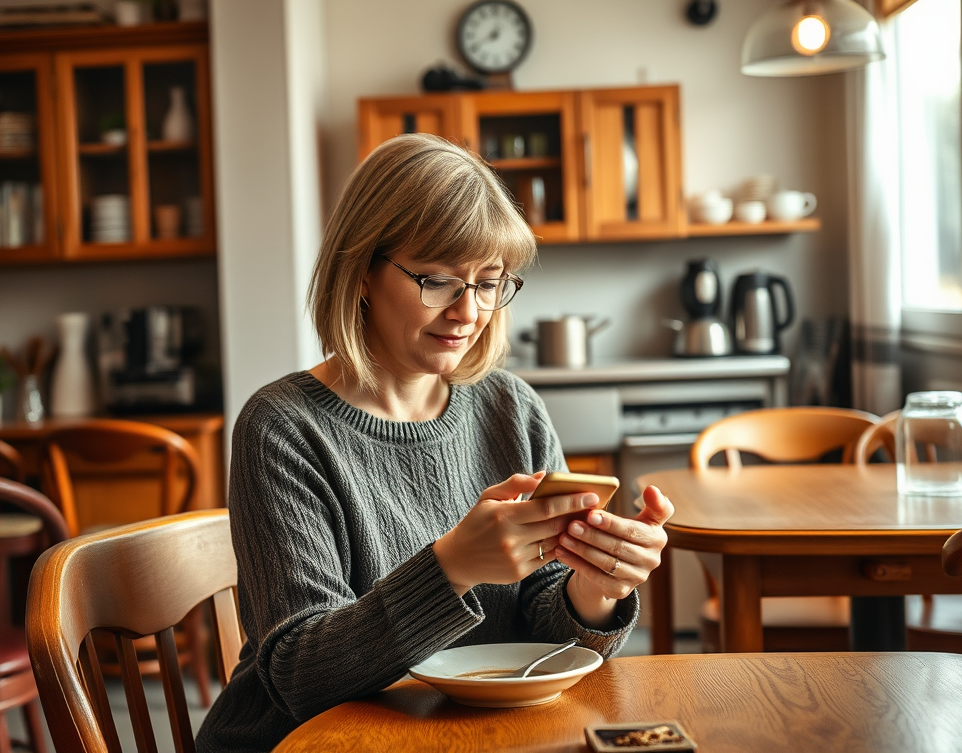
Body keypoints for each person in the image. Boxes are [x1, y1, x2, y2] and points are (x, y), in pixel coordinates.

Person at [196, 133, 673, 753]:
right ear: (362, 270)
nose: (468, 312)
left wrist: (596, 589)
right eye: (439, 280)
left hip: (469, 736)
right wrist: (452, 567)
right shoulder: (284, 426)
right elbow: (298, 677)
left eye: (489, 282)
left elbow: (541, 633)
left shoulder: (512, 408)